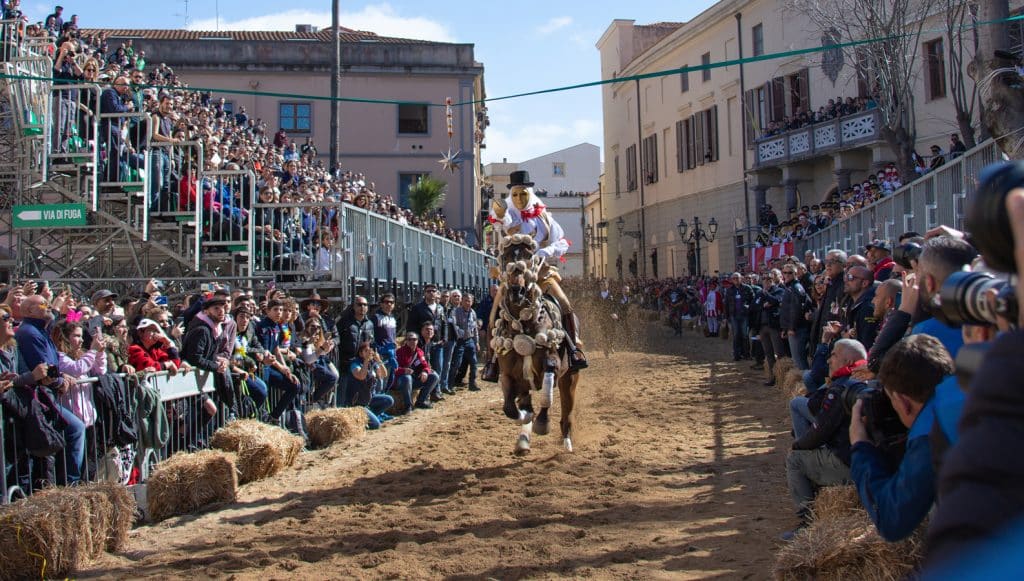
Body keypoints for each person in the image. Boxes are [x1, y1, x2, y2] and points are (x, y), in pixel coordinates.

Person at [849, 334, 954, 541]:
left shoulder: (931, 436)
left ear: (903, 401)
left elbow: (891, 520)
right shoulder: (974, 393)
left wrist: (861, 447)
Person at [488, 170, 587, 370]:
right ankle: (493, 361)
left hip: (540, 274)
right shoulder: (507, 214)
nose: (518, 198)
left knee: (565, 304)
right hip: (513, 277)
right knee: (493, 314)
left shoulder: (544, 218)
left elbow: (561, 241)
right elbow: (500, 222)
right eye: (515, 194)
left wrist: (546, 250)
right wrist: (500, 215)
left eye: (522, 194)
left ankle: (572, 347)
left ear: (529, 193)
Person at [784, 339, 868, 538]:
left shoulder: (841, 388)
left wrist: (798, 446)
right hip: (866, 459)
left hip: (849, 463)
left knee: (794, 460)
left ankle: (807, 520)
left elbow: (820, 431)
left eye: (834, 355)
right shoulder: (864, 382)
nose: (829, 360)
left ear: (847, 360)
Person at [14, 294, 87, 487]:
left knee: (67, 434)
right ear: (29, 310)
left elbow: (53, 365)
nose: (49, 307)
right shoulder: (29, 332)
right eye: (44, 304)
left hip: (48, 396)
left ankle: (67, 483)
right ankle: (70, 483)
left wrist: (63, 376)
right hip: (40, 398)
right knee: (74, 429)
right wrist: (59, 381)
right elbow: (43, 368)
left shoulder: (40, 330)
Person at [334, 295, 374, 406]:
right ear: (353, 307)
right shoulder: (344, 322)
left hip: (362, 363)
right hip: (346, 363)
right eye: (359, 304)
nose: (362, 307)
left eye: (365, 305)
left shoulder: (369, 324)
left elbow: (371, 342)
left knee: (364, 390)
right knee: (343, 393)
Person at [349, 341, 394, 429]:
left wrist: (379, 360)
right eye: (366, 351)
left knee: (389, 400)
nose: (369, 353)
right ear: (360, 353)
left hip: (369, 398)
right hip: (358, 402)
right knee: (376, 425)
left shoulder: (371, 362)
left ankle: (371, 415)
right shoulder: (355, 363)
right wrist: (366, 360)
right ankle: (362, 419)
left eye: (370, 351)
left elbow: (383, 375)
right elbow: (361, 376)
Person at [394, 332, 439, 411]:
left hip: (414, 380)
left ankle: (421, 401)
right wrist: (403, 370)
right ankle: (408, 406)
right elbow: (394, 369)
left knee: (434, 376)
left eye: (414, 339)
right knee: (407, 378)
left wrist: (425, 371)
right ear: (406, 341)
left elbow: (426, 365)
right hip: (401, 381)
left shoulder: (419, 352)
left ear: (417, 341)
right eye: (409, 339)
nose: (412, 341)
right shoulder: (399, 352)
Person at [780, 265, 811, 369]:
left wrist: (791, 327)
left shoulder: (795, 287)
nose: (787, 275)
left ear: (795, 274)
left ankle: (804, 383)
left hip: (797, 329)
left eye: (790, 273)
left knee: (799, 359)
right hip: (792, 328)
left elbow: (796, 309)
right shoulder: (789, 287)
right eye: (785, 273)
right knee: (797, 358)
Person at [449, 292, 480, 391]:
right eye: (465, 300)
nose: (467, 303)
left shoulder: (473, 312)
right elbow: (454, 325)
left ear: (472, 302)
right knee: (456, 363)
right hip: (460, 341)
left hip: (470, 340)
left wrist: (477, 342)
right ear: (462, 301)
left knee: (474, 363)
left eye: (469, 301)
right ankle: (450, 384)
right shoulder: (456, 312)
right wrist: (460, 334)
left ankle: (472, 383)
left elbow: (475, 329)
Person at [723, 272, 753, 361]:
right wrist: (726, 317)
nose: (736, 280)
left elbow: (753, 301)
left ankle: (746, 354)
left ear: (741, 278)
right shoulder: (729, 290)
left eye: (737, 278)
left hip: (744, 315)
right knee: (736, 335)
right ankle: (737, 354)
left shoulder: (747, 288)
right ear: (732, 280)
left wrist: (748, 308)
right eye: (734, 278)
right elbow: (726, 304)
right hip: (734, 315)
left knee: (744, 335)